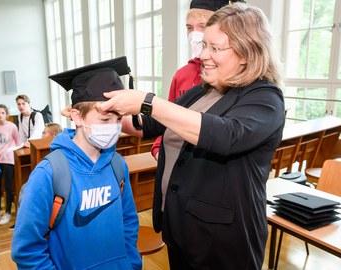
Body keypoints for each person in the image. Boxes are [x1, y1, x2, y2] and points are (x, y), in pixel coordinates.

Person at [98, 3, 285, 269]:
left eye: (215, 48)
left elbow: (226, 135)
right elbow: (147, 125)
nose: (203, 54)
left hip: (222, 240)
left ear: (246, 53)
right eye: (204, 45)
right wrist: (101, 109)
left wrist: (148, 101)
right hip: (182, 227)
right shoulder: (202, 91)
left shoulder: (265, 97)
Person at [11, 56, 142, 269]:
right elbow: (27, 250)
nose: (114, 127)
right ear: (77, 117)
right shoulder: (49, 173)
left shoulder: (118, 164)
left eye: (118, 119)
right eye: (105, 119)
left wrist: (132, 264)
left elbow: (128, 222)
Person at [151, 0, 245, 160]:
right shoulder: (182, 75)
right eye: (189, 28)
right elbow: (166, 119)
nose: (195, 34)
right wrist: (158, 148)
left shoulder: (238, 79)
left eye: (203, 26)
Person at [0, 104, 21, 226]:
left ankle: (7, 212)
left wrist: (9, 151)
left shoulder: (12, 126)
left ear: (6, 114)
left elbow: (18, 142)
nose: (0, 115)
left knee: (8, 187)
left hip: (9, 160)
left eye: (2, 112)